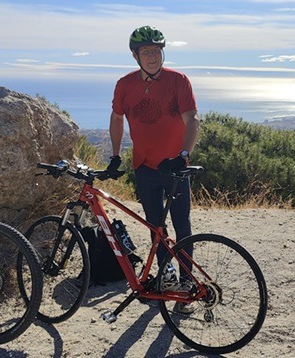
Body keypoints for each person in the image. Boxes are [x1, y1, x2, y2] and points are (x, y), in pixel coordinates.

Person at [106, 26, 200, 313]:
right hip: (144, 167)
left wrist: (183, 156)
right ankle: (166, 275)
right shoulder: (125, 84)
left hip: (174, 168)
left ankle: (187, 281)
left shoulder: (178, 81)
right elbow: (117, 118)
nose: (153, 56)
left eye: (157, 51)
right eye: (146, 52)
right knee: (155, 225)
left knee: (182, 225)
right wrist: (114, 156)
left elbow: (192, 119)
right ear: (135, 56)